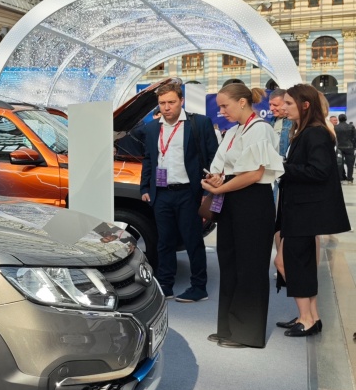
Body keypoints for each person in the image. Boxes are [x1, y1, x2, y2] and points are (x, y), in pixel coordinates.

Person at [200, 84, 280, 348]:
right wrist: (215, 179)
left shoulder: (261, 129)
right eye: (220, 107)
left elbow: (255, 174)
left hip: (253, 202)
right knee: (230, 263)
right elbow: (225, 168)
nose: (221, 111)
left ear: (243, 102)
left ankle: (248, 333)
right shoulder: (234, 131)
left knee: (251, 267)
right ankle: (228, 327)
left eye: (225, 106)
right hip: (231, 200)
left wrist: (220, 188)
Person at [275, 84, 351, 337]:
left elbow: (320, 171)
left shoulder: (315, 133)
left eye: (289, 103)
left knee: (295, 264)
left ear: (305, 105)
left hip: (305, 212)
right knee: (299, 264)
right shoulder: (305, 131)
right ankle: (310, 316)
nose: (284, 107)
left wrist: (282, 168)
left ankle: (307, 319)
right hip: (300, 210)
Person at [138, 82, 219, 302]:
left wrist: (208, 189)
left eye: (171, 102)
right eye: (162, 103)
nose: (166, 107)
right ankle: (166, 285)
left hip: (188, 193)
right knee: (164, 241)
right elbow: (149, 159)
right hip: (161, 193)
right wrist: (145, 187)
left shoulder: (199, 123)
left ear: (181, 101)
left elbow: (214, 156)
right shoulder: (152, 128)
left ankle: (199, 287)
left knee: (193, 240)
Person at [267, 89, 292, 157]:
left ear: (286, 104)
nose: (271, 108)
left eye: (275, 105)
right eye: (270, 104)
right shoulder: (272, 121)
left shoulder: (294, 123)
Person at [335, 113, 356, 184]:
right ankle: (349, 178)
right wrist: (354, 146)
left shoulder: (336, 127)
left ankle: (340, 178)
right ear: (346, 119)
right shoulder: (351, 127)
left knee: (339, 164)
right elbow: (354, 137)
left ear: (339, 119)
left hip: (339, 147)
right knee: (350, 164)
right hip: (349, 147)